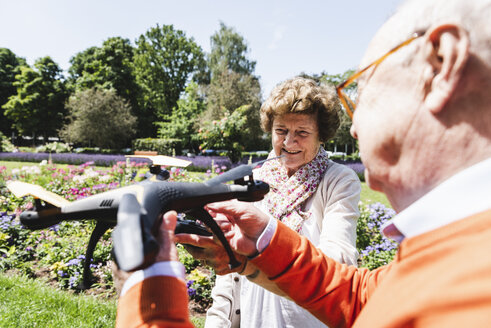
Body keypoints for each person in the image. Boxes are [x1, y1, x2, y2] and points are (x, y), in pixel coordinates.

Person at [115, 0, 491, 326]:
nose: (356, 126)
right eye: (281, 131)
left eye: (362, 87)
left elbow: (350, 282)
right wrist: (257, 245)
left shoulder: (473, 278)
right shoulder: (452, 245)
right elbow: (361, 298)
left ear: (443, 63)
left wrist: (146, 288)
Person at [179, 77, 360, 328]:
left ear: (322, 136)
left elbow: (339, 260)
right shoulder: (253, 179)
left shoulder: (338, 180)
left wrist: (267, 241)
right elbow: (229, 270)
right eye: (281, 131)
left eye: (302, 133)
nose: (288, 142)